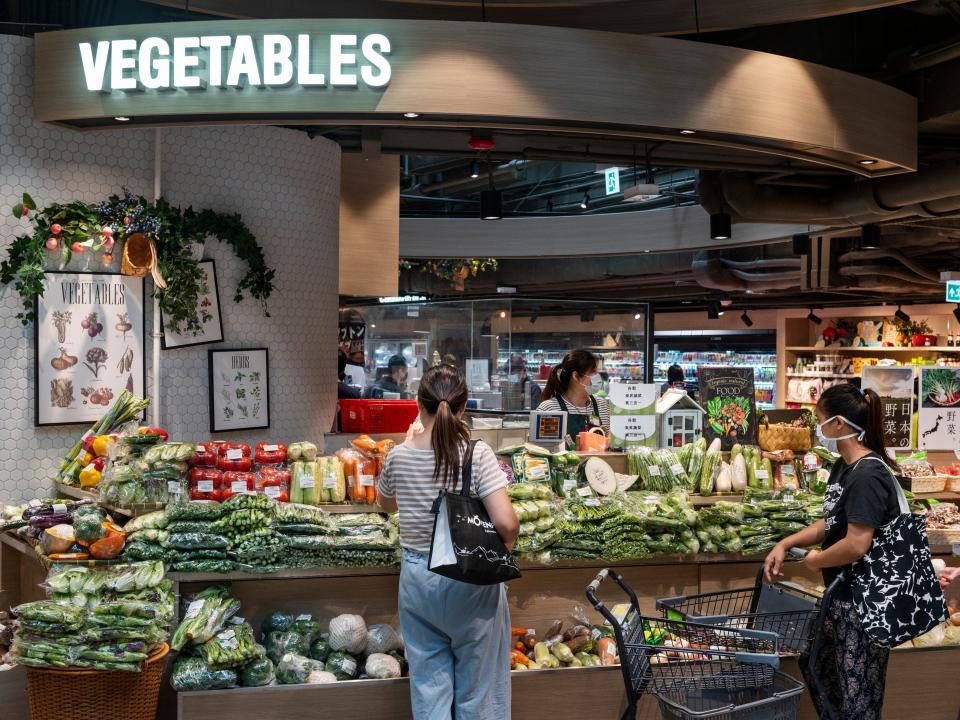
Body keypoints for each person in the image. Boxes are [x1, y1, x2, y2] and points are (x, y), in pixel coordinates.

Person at [377, 366, 519, 720]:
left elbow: (385, 504)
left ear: (417, 404)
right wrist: (507, 548)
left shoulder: (398, 455)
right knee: (479, 691)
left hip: (417, 580)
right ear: (464, 406)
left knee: (428, 688)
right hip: (469, 578)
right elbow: (506, 522)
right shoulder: (477, 454)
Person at [764, 383, 902, 720]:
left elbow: (856, 543)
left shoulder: (867, 474)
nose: (816, 428)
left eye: (819, 419)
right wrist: (787, 542)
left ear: (838, 423)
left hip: (864, 605)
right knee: (820, 671)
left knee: (858, 700)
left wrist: (815, 561)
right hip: (840, 600)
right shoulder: (845, 467)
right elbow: (831, 522)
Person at [536, 349, 610, 437]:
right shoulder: (550, 408)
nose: (598, 377)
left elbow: (610, 443)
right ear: (576, 376)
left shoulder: (602, 405)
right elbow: (542, 448)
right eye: (593, 372)